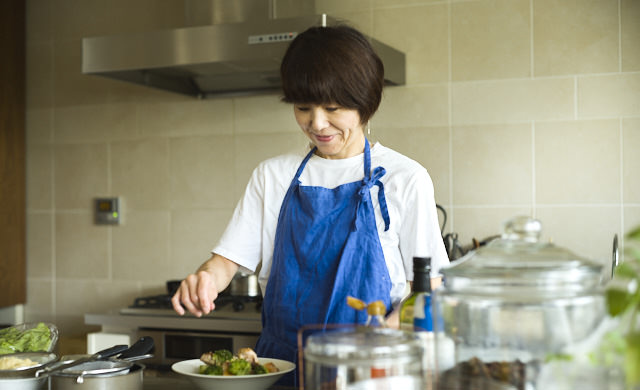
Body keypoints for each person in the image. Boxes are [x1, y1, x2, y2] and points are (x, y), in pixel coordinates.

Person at [171, 24, 448, 384]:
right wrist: (205, 280)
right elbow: (226, 262)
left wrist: (380, 337)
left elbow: (429, 291)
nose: (317, 123)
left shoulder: (404, 178)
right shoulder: (273, 175)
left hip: (370, 374)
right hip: (281, 369)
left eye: (332, 108)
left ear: (366, 103)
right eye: (303, 108)